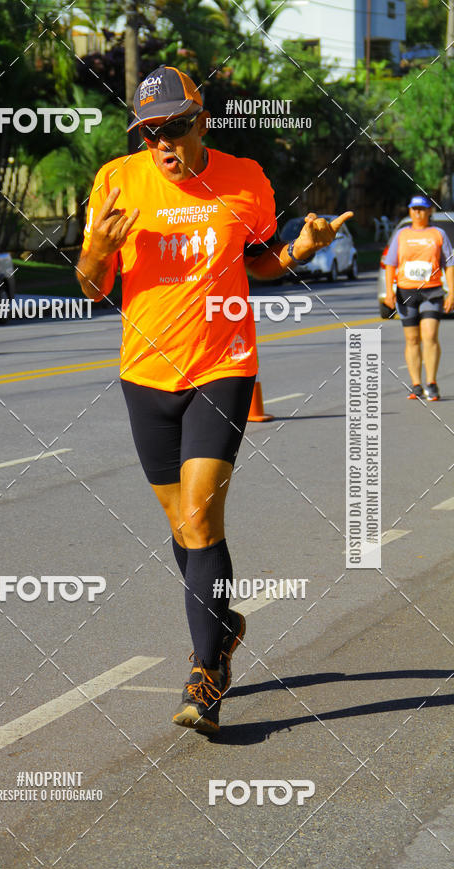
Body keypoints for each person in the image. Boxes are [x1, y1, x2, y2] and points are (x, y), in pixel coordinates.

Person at [76, 65, 352, 734]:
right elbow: (91, 287)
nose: (162, 144)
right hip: (145, 375)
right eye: (149, 133)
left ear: (201, 121)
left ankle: (206, 672)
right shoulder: (116, 182)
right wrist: (93, 250)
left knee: (199, 521)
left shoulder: (245, 179)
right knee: (183, 531)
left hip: (222, 367)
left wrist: (300, 251)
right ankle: (223, 623)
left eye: (174, 127)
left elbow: (258, 261)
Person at [384, 196, 454, 400]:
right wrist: (389, 291)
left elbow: (449, 265)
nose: (418, 213)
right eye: (414, 209)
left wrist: (451, 291)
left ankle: (431, 383)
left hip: (432, 290)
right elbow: (390, 264)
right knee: (412, 339)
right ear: (409, 211)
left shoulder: (438, 234)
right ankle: (416, 384)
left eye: (422, 209)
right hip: (406, 291)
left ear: (429, 211)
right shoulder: (401, 235)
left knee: (430, 335)